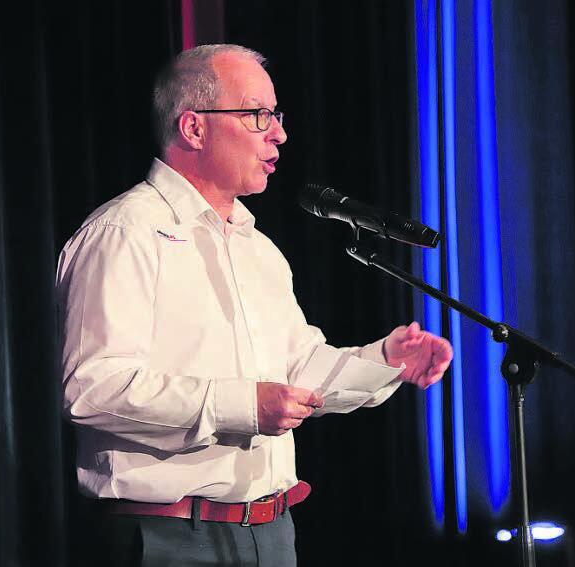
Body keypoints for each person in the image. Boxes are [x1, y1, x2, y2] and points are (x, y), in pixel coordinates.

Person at [55, 44, 453, 566]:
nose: (278, 134)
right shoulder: (124, 232)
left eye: (276, 115)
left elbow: (296, 370)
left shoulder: (257, 248)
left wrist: (382, 361)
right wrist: (243, 407)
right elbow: (92, 389)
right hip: (167, 536)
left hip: (272, 533)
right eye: (257, 114)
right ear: (193, 128)